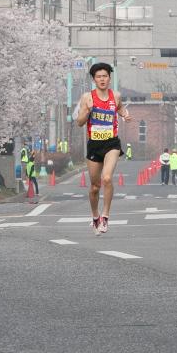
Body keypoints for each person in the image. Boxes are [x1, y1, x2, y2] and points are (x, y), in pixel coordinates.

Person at [74, 62, 130, 234]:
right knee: (95, 186)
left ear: (109, 78)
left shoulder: (116, 96)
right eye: (98, 77)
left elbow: (120, 108)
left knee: (107, 178)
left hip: (111, 143)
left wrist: (125, 114)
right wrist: (87, 111)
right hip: (94, 144)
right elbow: (80, 123)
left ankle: (105, 216)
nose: (102, 79)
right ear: (94, 79)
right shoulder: (87, 98)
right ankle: (95, 215)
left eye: (105, 76)